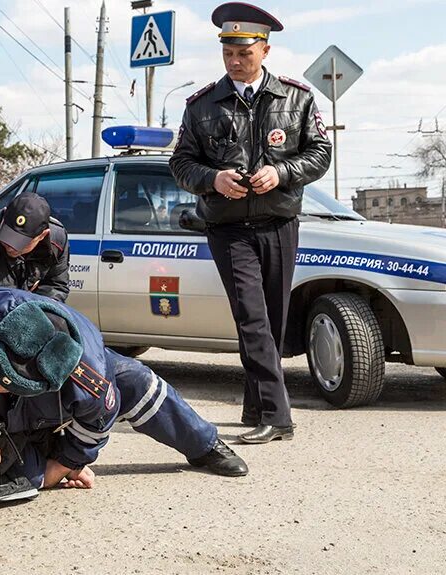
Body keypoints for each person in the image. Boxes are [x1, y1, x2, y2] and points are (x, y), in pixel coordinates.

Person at [0, 288, 248, 495]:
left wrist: (66, 463)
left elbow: (97, 423)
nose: (2, 384)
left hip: (37, 408)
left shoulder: (90, 374)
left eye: (14, 385)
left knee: (136, 379)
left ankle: (203, 445)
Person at [169, 2, 332, 444]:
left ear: (265, 49)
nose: (235, 62)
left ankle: (254, 404)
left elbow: (320, 155)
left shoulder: (296, 98)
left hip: (279, 224)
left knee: (272, 319)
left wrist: (282, 172)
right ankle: (279, 418)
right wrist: (213, 178)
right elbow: (180, 163)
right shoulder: (201, 105)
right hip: (227, 228)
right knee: (252, 316)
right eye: (228, 53)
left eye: (244, 53)